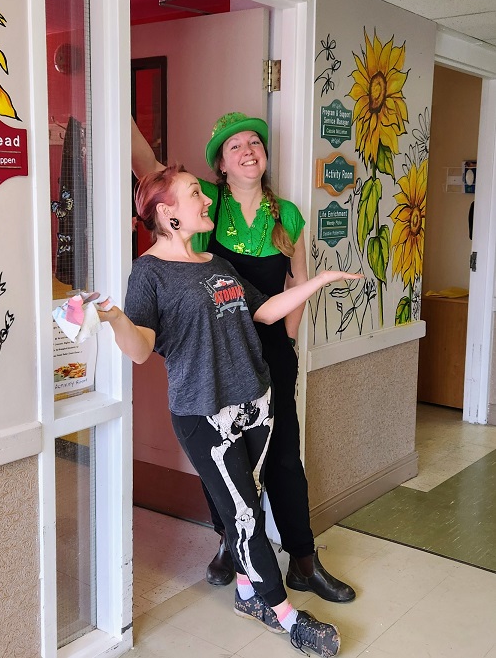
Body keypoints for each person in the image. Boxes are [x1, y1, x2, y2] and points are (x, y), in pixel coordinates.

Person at [97, 165, 360, 656]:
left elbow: (263, 311)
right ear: (166, 212)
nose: (206, 199)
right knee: (243, 515)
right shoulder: (149, 272)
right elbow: (139, 350)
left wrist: (316, 281)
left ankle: (245, 592)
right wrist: (116, 319)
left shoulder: (216, 264)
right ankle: (285, 615)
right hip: (204, 413)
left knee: (248, 501)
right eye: (195, 192)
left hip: (256, 401)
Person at [131, 112, 356, 603]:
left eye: (255, 142)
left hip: (273, 349)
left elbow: (295, 283)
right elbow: (155, 182)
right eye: (235, 146)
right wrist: (121, 109)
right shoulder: (206, 208)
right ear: (221, 166)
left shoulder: (289, 214)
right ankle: (232, 545)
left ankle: (302, 559)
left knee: (282, 460)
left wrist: (290, 343)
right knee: (227, 459)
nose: (249, 150)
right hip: (224, 350)